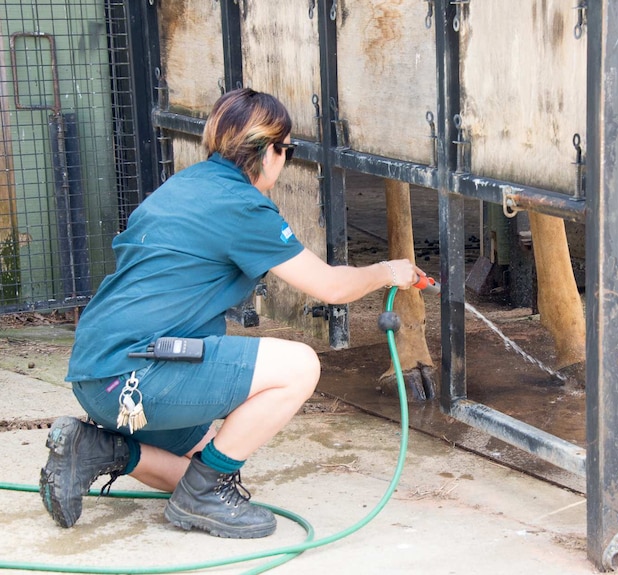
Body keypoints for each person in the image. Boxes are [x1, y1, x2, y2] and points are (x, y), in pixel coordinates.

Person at [39, 88, 424, 539]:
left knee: (203, 468)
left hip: (97, 375)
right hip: (135, 375)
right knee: (299, 366)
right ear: (268, 151)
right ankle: (200, 493)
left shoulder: (185, 184)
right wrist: (389, 270)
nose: (286, 160)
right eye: (288, 150)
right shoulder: (242, 205)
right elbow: (332, 287)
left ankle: (98, 449)